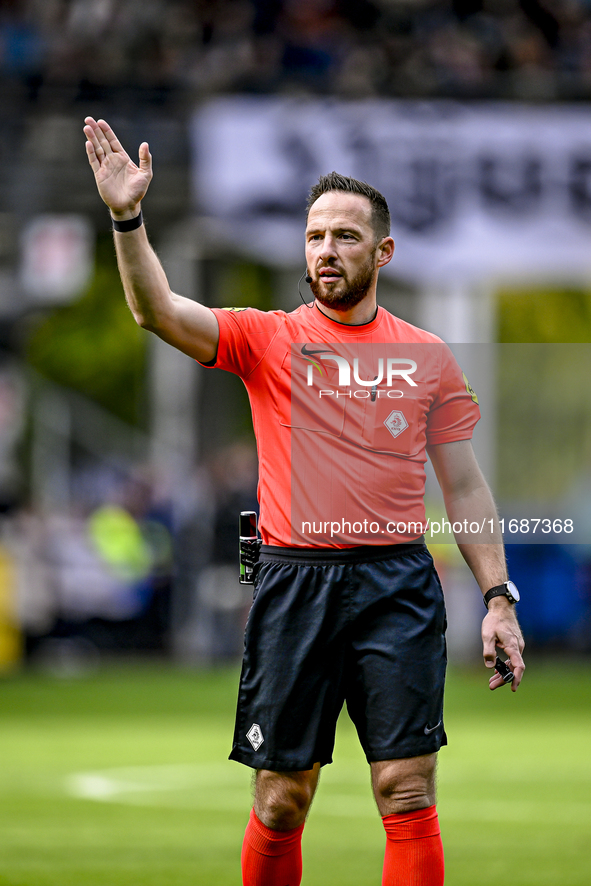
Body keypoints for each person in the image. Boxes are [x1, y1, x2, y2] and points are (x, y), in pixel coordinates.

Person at [83, 116, 525, 886]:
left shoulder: (426, 356)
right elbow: (156, 311)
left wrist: (497, 597)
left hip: (397, 585)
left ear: (381, 252)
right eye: (316, 236)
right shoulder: (267, 338)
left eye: (345, 237)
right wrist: (127, 216)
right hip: (294, 583)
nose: (326, 250)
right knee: (283, 798)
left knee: (406, 789)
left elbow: (463, 485)